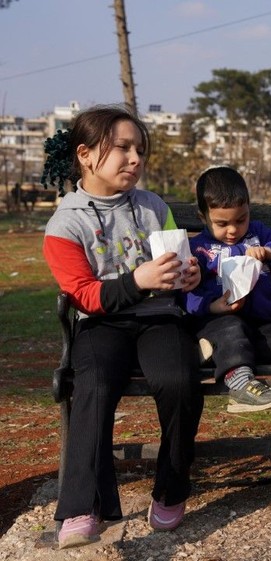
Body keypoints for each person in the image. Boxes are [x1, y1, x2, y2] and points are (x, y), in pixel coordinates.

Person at [41, 105, 204, 549]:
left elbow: (182, 260)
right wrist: (138, 279)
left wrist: (190, 275)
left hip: (158, 318)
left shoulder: (152, 206)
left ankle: (171, 490)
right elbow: (86, 297)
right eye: (123, 149)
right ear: (87, 155)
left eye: (139, 150)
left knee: (180, 379)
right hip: (100, 324)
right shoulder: (64, 224)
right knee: (93, 385)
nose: (136, 159)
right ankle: (81, 506)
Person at [185, 166, 271, 413]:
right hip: (220, 321)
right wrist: (212, 306)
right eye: (222, 223)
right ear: (202, 217)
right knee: (231, 328)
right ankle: (240, 385)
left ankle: (217, 352)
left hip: (259, 325)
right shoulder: (199, 249)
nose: (233, 230)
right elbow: (187, 294)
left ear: (249, 209)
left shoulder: (257, 234)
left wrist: (269, 252)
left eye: (241, 219)